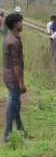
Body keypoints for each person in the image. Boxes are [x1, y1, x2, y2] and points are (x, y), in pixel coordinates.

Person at [3, 12, 28, 143]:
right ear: (15, 24)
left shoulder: (9, 38)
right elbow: (16, 64)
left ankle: (21, 131)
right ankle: (6, 135)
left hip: (8, 75)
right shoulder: (14, 42)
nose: (22, 24)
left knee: (16, 104)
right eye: (20, 22)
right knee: (12, 104)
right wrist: (21, 82)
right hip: (13, 77)